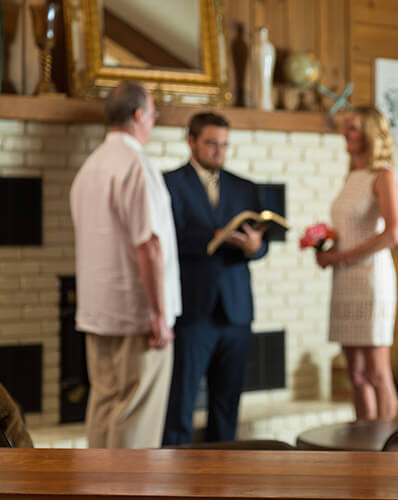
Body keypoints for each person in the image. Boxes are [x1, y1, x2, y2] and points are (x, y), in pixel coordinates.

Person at [70, 80, 181, 449]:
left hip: (98, 312)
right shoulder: (136, 164)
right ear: (139, 116)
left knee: (103, 408)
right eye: (153, 113)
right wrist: (159, 315)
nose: (153, 121)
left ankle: (95, 490)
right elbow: (148, 245)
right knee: (136, 420)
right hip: (138, 318)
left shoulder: (89, 167)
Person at [162, 112, 269, 445]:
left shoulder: (245, 187)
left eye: (224, 145)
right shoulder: (169, 183)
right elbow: (166, 241)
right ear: (191, 141)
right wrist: (214, 235)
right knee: (180, 404)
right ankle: (172, 484)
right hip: (193, 309)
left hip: (236, 311)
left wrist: (255, 247)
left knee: (226, 407)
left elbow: (261, 247)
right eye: (211, 143)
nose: (219, 151)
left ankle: (221, 482)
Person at [315, 106, 398, 421]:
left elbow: (394, 232)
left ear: (369, 133)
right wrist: (326, 248)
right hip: (344, 278)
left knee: (377, 373)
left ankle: (384, 448)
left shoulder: (384, 175)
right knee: (355, 374)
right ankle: (364, 446)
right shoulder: (351, 175)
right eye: (346, 128)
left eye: (353, 128)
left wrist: (342, 256)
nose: (346, 133)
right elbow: (350, 230)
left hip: (370, 279)